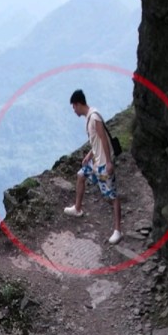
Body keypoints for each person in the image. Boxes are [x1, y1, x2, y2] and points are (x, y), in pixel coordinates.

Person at [64, 89, 122, 245]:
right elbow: (96, 140)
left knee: (111, 197)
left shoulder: (94, 117)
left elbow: (103, 139)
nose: (74, 110)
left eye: (73, 107)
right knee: (80, 175)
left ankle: (117, 230)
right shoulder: (90, 117)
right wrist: (89, 155)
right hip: (95, 161)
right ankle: (77, 208)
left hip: (103, 164)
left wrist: (109, 162)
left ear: (78, 104)